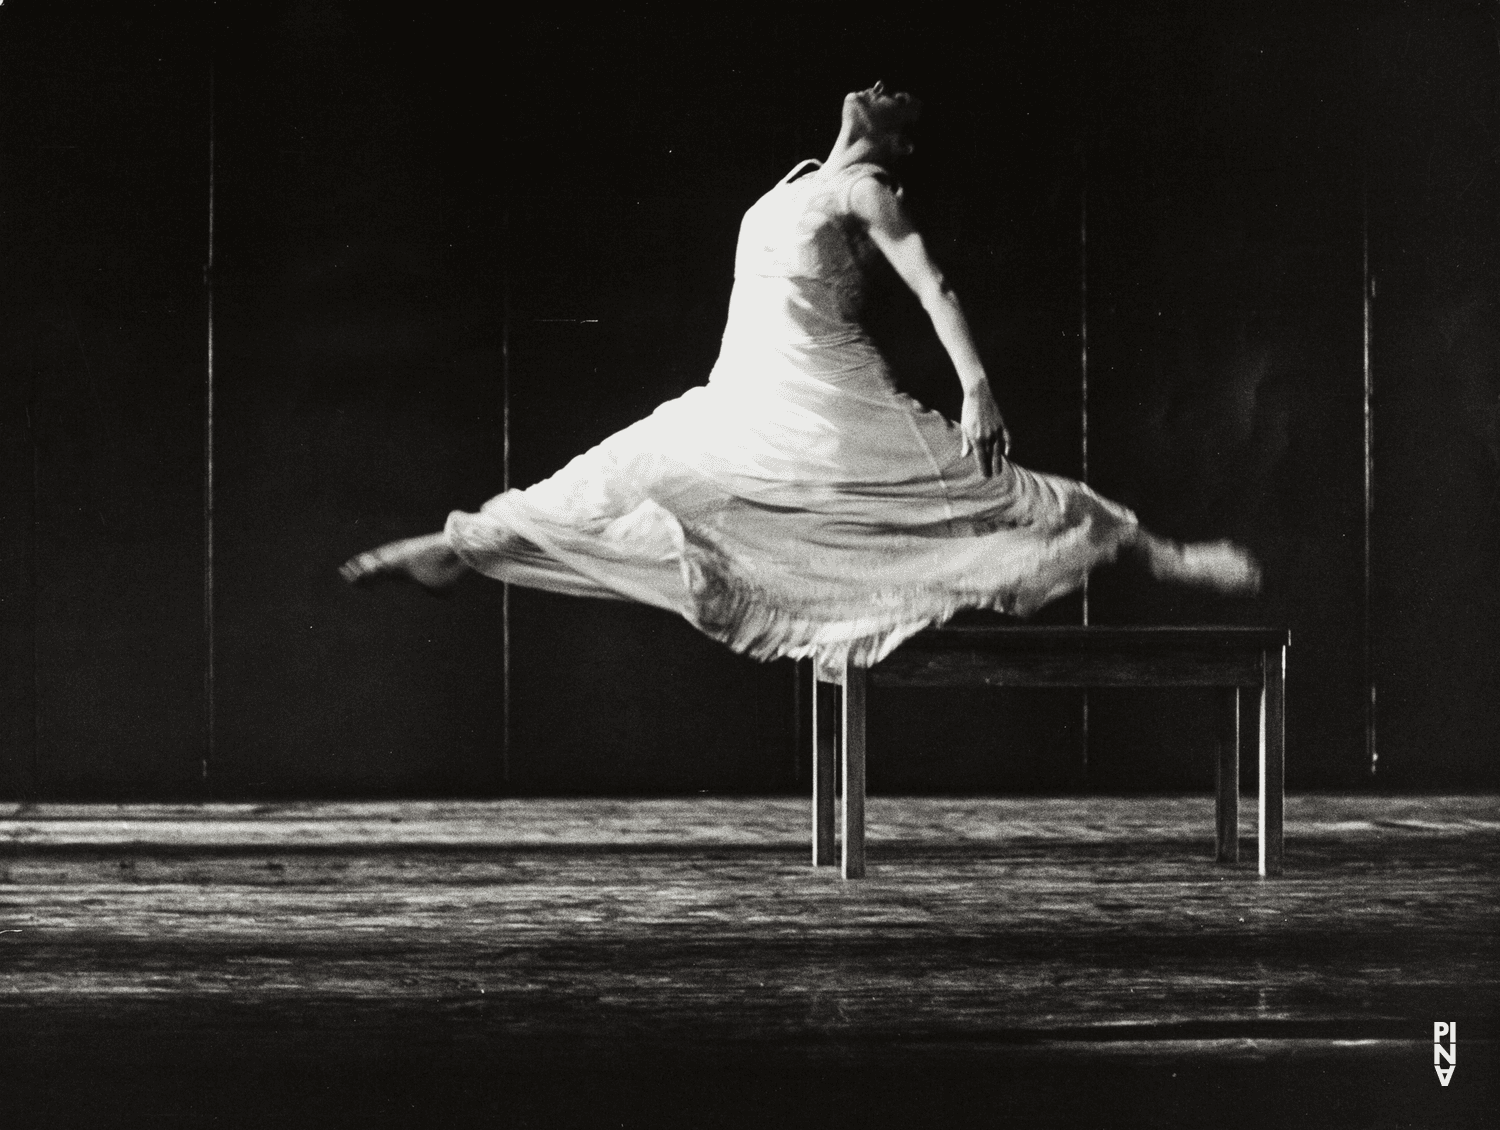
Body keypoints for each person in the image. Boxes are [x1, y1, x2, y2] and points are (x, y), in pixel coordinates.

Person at [341, 83, 1259, 674]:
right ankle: (453, 547)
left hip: (829, 406)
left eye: (904, 102)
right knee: (603, 480)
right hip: (741, 401)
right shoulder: (800, 181)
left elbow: (934, 287)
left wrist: (976, 386)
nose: (887, 87)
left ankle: (1166, 553)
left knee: (1016, 500)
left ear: (898, 145)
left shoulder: (868, 193)